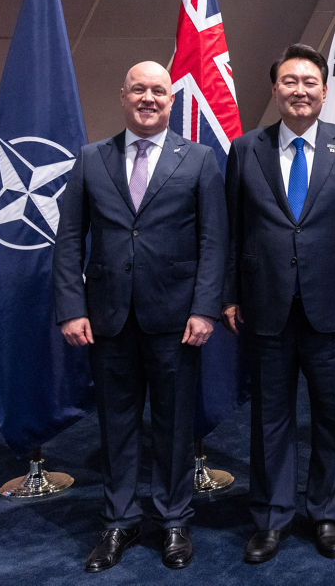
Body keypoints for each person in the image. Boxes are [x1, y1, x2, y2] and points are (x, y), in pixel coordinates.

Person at [53, 61, 227, 572]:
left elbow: (214, 242)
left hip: (177, 320)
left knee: (174, 426)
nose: (149, 99)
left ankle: (173, 518)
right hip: (107, 319)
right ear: (122, 96)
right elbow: (68, 240)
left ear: (172, 102)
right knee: (117, 424)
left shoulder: (198, 160)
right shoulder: (90, 159)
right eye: (139, 90)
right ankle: (120, 521)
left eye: (159, 92)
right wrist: (71, 307)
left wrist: (204, 308)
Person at [222, 44, 335, 563]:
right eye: (289, 81)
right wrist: (228, 295)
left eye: (310, 81)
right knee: (271, 417)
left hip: (332, 303)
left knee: (332, 416)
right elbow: (231, 229)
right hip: (264, 304)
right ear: (275, 89)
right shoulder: (247, 149)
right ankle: (270, 517)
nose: (300, 90)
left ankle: (326, 514)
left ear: (325, 90)